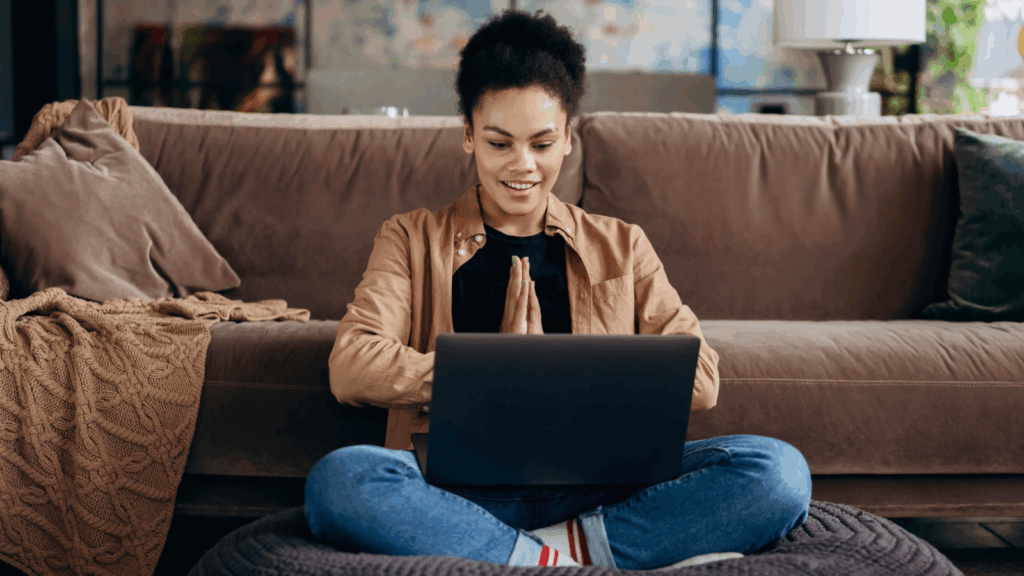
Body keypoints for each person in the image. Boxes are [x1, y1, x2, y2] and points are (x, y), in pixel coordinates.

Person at [304, 9, 811, 570]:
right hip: (454, 491)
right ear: (468, 136)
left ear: (568, 138)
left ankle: (527, 558)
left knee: (778, 472)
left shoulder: (622, 245)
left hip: (596, 490)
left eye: (542, 144)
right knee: (341, 480)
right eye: (500, 143)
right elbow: (351, 365)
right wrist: (491, 374)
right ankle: (574, 557)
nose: (522, 166)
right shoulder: (409, 237)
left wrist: (554, 373)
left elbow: (703, 379)